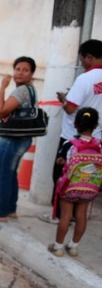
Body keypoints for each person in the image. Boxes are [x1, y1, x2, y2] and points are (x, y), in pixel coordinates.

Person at [39, 39, 102, 224]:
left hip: (73, 139)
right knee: (85, 177)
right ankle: (77, 214)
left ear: (89, 57)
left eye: (82, 59)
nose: (81, 63)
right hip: (97, 140)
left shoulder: (85, 78)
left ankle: (59, 215)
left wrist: (64, 98)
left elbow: (71, 108)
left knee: (62, 175)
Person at [0, 56, 38, 222]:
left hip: (11, 140)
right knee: (11, 173)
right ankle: (10, 209)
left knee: (4, 175)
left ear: (32, 73)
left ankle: (0, 212)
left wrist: (2, 87)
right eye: (18, 69)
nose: (20, 73)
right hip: (24, 138)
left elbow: (0, 112)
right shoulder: (31, 90)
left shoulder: (21, 91)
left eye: (25, 70)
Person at [48, 107, 101, 257]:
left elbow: (61, 161)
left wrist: (62, 160)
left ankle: (58, 247)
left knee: (66, 215)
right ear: (96, 125)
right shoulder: (99, 146)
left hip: (70, 188)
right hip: (89, 188)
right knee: (81, 215)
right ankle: (73, 246)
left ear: (75, 125)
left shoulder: (69, 145)